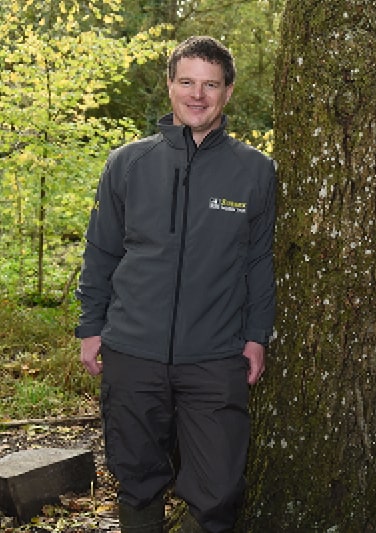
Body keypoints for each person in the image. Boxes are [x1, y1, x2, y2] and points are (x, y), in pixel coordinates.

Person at [75, 36, 276, 533]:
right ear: (170, 86)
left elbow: (258, 261)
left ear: (228, 92)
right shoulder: (128, 163)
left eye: (210, 84)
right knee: (137, 479)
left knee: (218, 490)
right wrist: (90, 326)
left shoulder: (255, 171)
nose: (197, 95)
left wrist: (256, 337)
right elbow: (102, 251)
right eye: (187, 82)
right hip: (132, 352)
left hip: (215, 357)